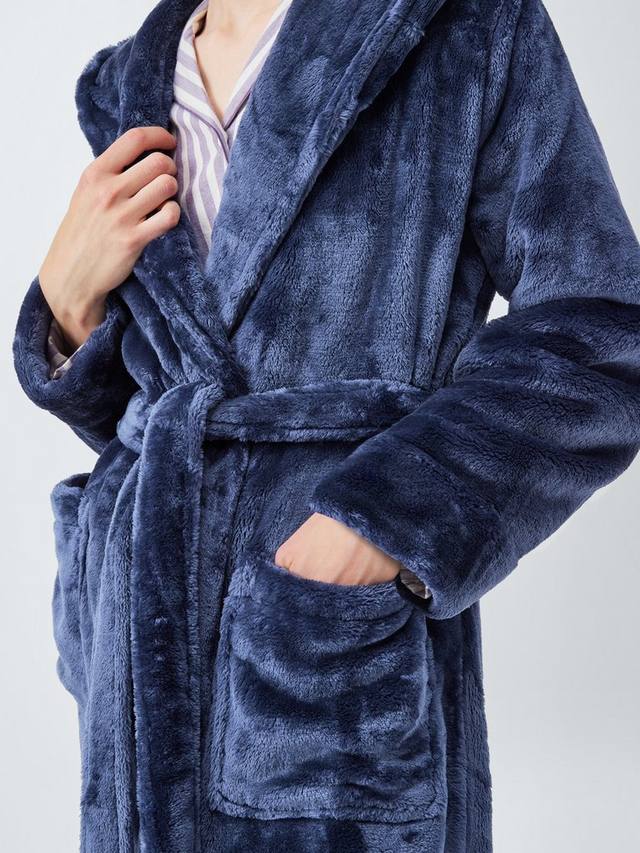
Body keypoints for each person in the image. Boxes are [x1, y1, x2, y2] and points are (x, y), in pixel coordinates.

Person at [12, 0, 640, 851]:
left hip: (330, 669)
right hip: (132, 674)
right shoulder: (130, 82)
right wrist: (67, 304)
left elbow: (601, 333)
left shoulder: (464, 28)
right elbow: (168, 411)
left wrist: (383, 521)